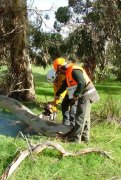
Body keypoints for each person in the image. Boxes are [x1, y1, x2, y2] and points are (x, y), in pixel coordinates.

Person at [53, 57, 100, 143]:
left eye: (59, 71)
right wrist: (57, 93)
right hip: (85, 94)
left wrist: (76, 94)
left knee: (80, 117)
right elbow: (65, 84)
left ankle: (75, 139)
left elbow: (81, 82)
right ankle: (85, 138)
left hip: (87, 94)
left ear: (61, 67)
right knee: (85, 117)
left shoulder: (74, 69)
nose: (60, 73)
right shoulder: (68, 72)